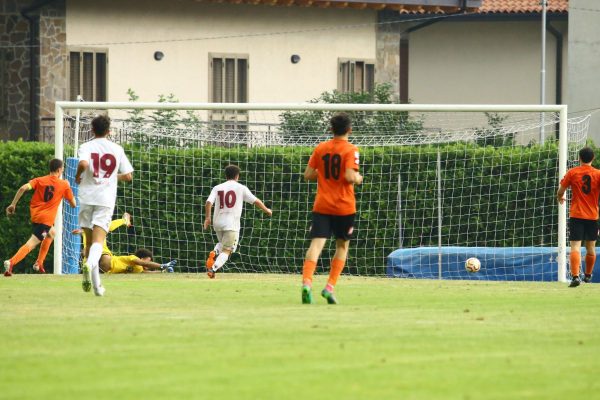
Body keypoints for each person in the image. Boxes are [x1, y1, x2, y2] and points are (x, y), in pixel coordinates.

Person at [301, 112, 363, 304]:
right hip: (344, 207)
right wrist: (359, 178)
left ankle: (306, 283)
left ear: (331, 129)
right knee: (342, 246)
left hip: (322, 204)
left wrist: (325, 174)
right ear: (349, 130)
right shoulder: (351, 150)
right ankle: (329, 287)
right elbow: (350, 176)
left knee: (316, 244)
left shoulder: (321, 148)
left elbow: (308, 175)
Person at [75, 114, 134, 296]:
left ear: (92, 130)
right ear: (109, 131)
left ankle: (97, 287)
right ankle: (90, 264)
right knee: (98, 242)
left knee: (89, 242)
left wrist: (78, 175)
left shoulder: (86, 146)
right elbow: (128, 176)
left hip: (86, 197)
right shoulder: (116, 148)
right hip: (105, 200)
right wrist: (110, 176)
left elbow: (84, 163)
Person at [4, 159, 76, 276]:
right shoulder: (64, 185)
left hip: (36, 217)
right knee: (31, 244)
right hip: (45, 222)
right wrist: (68, 187)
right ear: (59, 170)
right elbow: (74, 204)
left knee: (52, 233)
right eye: (62, 169)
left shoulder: (39, 180)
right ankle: (11, 262)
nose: (63, 170)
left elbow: (22, 188)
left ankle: (39, 263)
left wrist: (13, 204)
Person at [203, 165, 272, 279]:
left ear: (226, 175)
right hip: (231, 225)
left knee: (223, 244)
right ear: (237, 176)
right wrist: (267, 210)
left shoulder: (217, 187)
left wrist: (207, 218)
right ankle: (213, 268)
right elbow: (256, 201)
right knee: (227, 250)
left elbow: (208, 202)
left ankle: (215, 252)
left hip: (217, 223)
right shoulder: (241, 188)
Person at [74, 213, 176, 274]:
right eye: (148, 261)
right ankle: (124, 220)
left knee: (93, 240)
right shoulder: (132, 259)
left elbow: (147, 273)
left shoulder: (138, 270)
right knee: (99, 234)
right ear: (141, 258)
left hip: (103, 270)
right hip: (105, 258)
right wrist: (162, 266)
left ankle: (86, 242)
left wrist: (163, 271)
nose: (148, 264)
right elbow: (144, 264)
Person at [557, 146, 600, 287]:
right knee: (591, 248)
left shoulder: (573, 172)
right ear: (593, 158)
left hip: (576, 215)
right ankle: (587, 276)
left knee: (575, 246)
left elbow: (561, 190)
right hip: (592, 216)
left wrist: (560, 197)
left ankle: (575, 277)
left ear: (579, 158)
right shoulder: (598, 174)